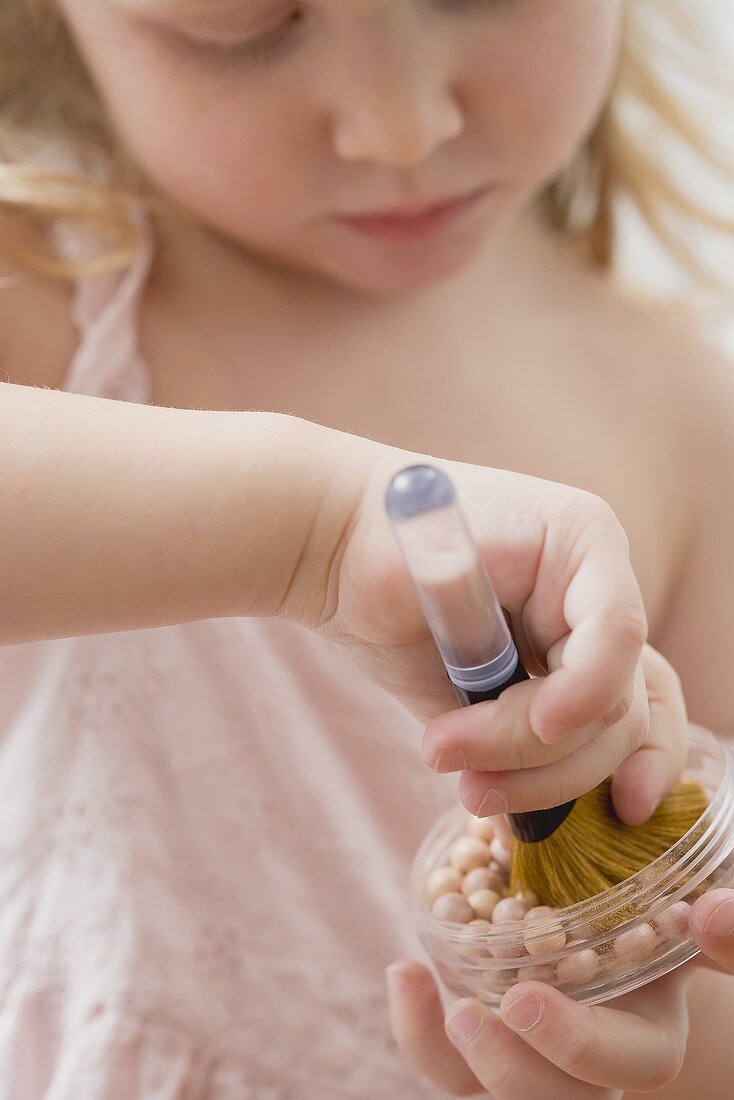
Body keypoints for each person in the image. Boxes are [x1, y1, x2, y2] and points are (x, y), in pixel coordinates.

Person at [0, 0, 733, 1096]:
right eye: (236, 27)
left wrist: (614, 1020)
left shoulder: (682, 418)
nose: (396, 127)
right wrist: (306, 533)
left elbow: (701, 987)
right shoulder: (45, 283)